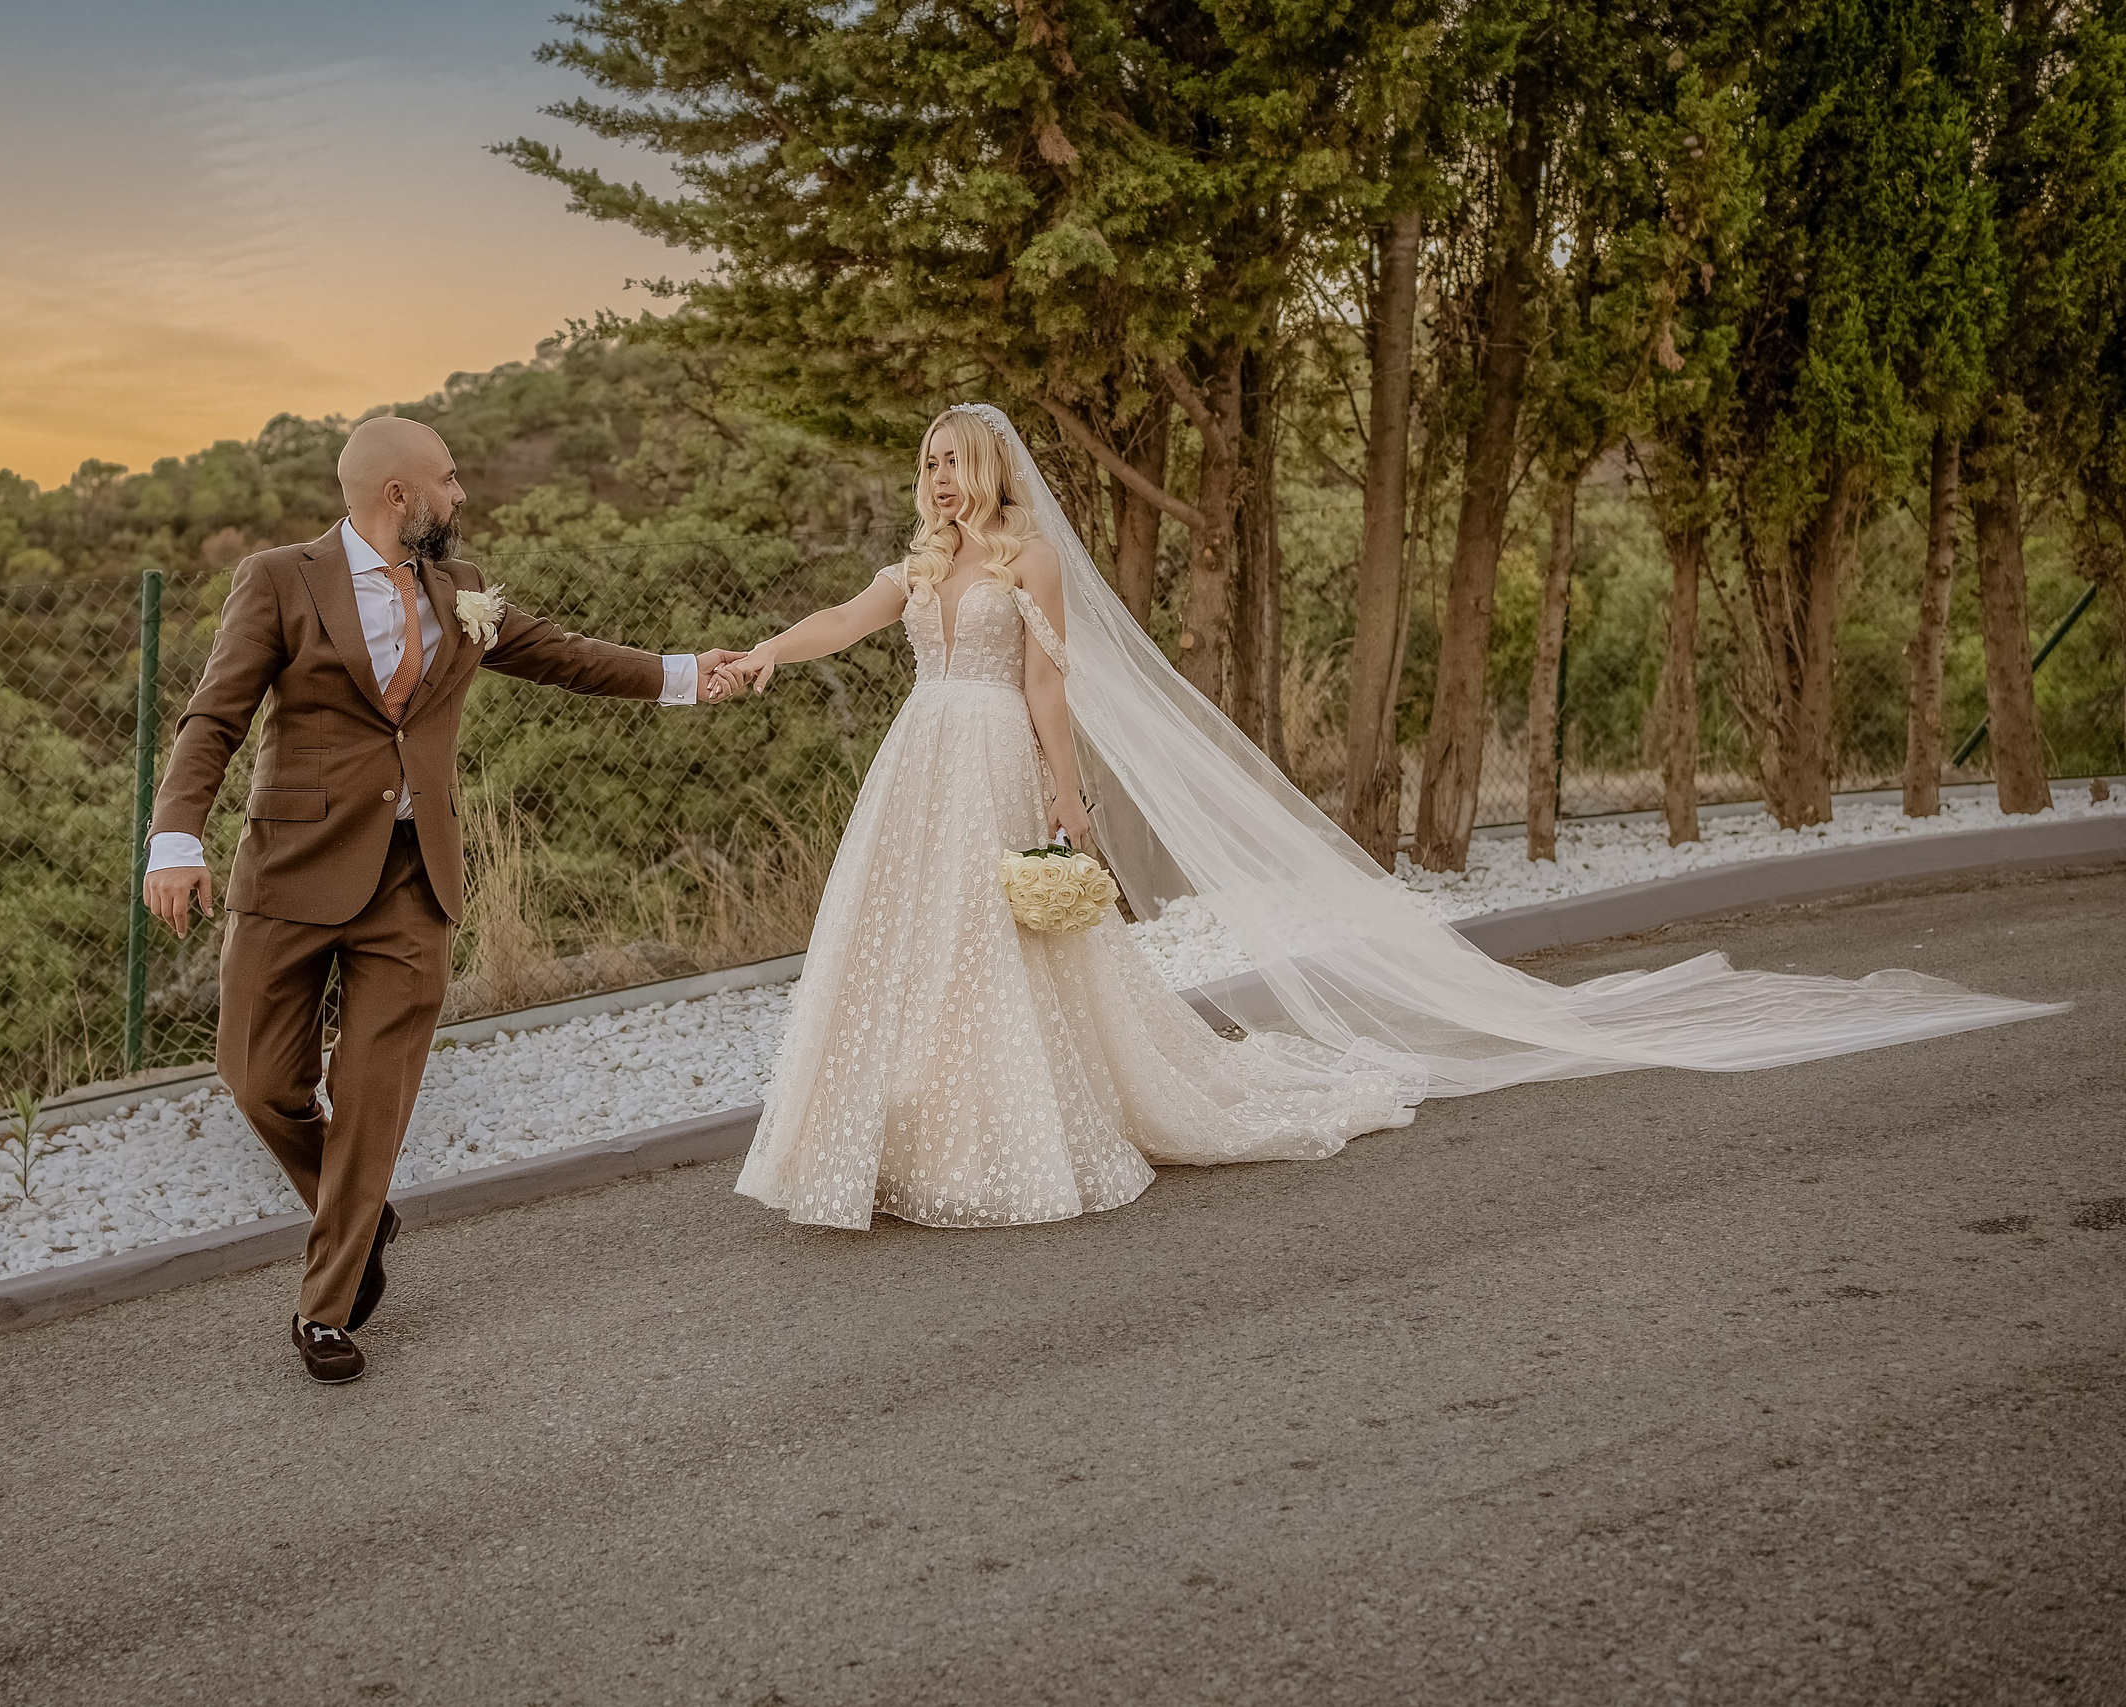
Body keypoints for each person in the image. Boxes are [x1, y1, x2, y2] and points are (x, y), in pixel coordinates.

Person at [712, 404, 2060, 1230]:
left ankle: (1020, 1135)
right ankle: (896, 1133)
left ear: (998, 472)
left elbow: (1056, 700)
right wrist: (770, 649)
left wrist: (1070, 814)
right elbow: (846, 619)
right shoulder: (923, 564)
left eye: (959, 463)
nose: (941, 480)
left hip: (999, 758)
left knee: (1015, 951)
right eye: (930, 463)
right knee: (913, 953)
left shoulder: (1031, 560)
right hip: (918, 768)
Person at [144, 415, 745, 1382]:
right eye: (450, 480)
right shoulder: (279, 578)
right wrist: (176, 837)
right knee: (257, 1079)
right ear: (399, 494)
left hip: (414, 877)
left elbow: (563, 653)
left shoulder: (461, 591)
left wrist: (686, 674)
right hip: (292, 867)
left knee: (373, 1096)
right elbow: (213, 716)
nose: (462, 496)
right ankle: (360, 1208)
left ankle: (326, 1305)